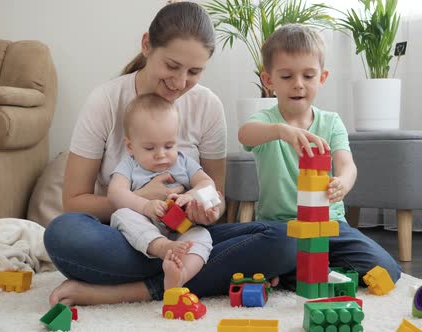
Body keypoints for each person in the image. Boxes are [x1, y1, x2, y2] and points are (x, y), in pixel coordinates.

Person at [43, 2, 317, 306]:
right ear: (147, 45)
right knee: (63, 235)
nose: (179, 82)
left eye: (194, 71)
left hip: (187, 235)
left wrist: (206, 207)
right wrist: (145, 199)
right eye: (172, 66)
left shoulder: (208, 106)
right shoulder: (106, 100)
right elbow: (73, 203)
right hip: (126, 236)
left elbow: (216, 195)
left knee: (288, 239)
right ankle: (193, 275)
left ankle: (131, 290)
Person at [238, 24, 402, 286]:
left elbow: (347, 165)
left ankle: (303, 272)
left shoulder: (331, 122)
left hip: (330, 225)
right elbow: (245, 134)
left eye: (308, 76)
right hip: (283, 229)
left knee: (386, 271)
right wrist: (282, 131)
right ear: (269, 81)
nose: (298, 85)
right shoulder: (267, 121)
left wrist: (343, 183)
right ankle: (300, 270)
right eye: (286, 76)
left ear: (322, 78)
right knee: (284, 250)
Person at [108, 93, 217, 291]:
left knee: (203, 235)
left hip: (182, 229)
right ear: (131, 146)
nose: (161, 154)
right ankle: (161, 247)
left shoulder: (183, 161)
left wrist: (190, 196)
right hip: (144, 230)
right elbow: (115, 193)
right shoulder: (129, 165)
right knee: (121, 215)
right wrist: (145, 206)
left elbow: (208, 184)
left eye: (169, 145)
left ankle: (180, 275)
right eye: (150, 148)